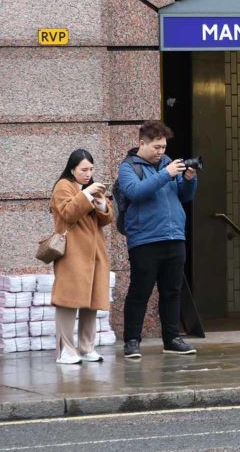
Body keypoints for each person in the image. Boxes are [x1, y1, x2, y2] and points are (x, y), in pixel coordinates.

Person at [116, 120, 198, 359]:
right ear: (142, 143)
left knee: (172, 291)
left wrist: (190, 179)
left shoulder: (167, 164)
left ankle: (171, 339)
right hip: (145, 239)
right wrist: (166, 174)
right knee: (140, 291)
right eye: (157, 147)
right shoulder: (129, 167)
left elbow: (184, 196)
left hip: (174, 236)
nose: (161, 151)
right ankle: (132, 341)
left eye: (163, 147)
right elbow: (136, 192)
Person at [50, 149, 114, 364]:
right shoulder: (63, 186)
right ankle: (65, 350)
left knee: (92, 301)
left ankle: (86, 348)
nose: (88, 174)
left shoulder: (91, 187)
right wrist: (86, 195)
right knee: (68, 300)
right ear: (72, 169)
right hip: (72, 252)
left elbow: (106, 219)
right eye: (84, 169)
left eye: (91, 169)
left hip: (95, 252)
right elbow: (67, 213)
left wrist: (101, 202)